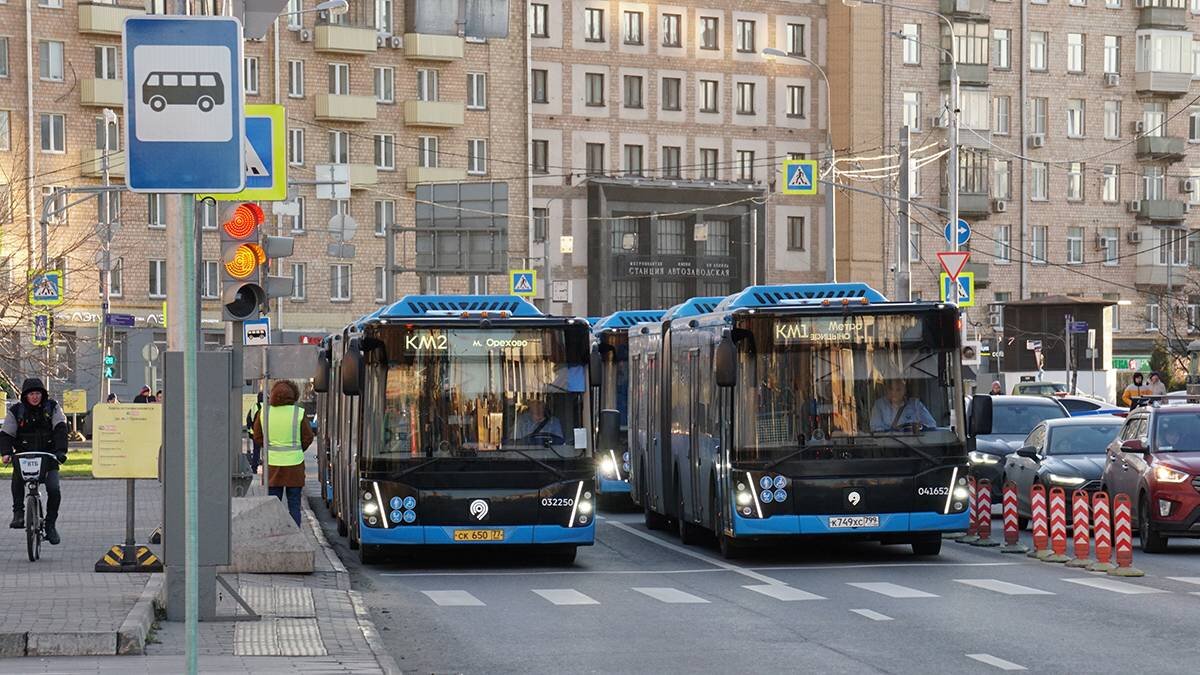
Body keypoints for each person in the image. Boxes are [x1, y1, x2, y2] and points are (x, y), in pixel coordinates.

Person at [0, 379, 68, 545]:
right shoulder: (16, 411)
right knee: (17, 479)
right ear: (25, 395)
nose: (35, 397)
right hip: (24, 455)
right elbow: (6, 433)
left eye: (38, 393)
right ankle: (18, 514)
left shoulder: (52, 407)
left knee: (54, 489)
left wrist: (60, 451)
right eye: (31, 394)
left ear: (42, 394)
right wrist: (6, 453)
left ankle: (50, 525)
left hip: (48, 455)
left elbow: (60, 428)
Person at [252, 381, 313, 527]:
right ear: (293, 395)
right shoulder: (299, 413)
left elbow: (258, 436)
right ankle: (296, 535)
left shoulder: (264, 413)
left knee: (274, 504)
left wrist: (269, 449)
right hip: (295, 467)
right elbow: (308, 437)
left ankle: (276, 535)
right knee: (294, 505)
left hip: (272, 466)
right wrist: (297, 449)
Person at [870, 379, 937, 433]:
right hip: (888, 447)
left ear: (904, 390)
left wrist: (919, 427)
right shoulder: (879, 405)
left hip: (914, 445)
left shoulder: (915, 404)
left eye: (898, 390)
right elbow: (875, 429)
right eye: (891, 389)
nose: (894, 393)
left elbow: (931, 425)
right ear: (886, 389)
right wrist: (896, 431)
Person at [245, 392, 264, 475]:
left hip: (256, 434)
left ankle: (254, 468)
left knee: (256, 451)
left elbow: (248, 419)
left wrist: (250, 431)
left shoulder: (254, 407)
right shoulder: (269, 407)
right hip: (267, 433)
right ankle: (269, 469)